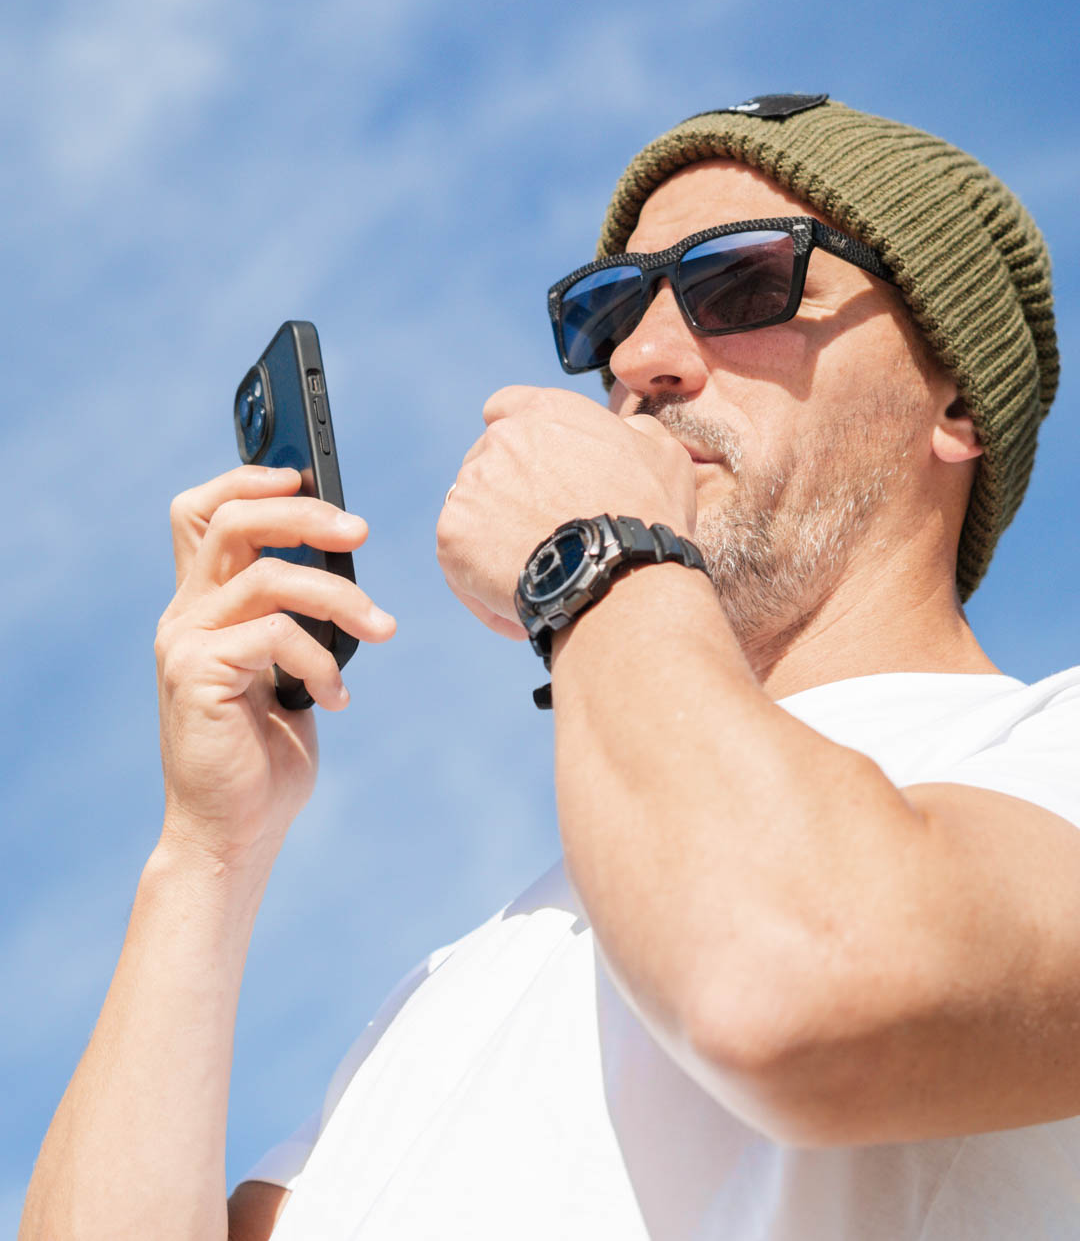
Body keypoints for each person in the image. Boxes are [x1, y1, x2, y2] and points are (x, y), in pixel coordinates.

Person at [19, 94, 1080, 1241]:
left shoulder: (1041, 758)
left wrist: (595, 552)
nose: (641, 360)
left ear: (957, 398)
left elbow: (795, 981)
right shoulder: (459, 986)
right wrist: (205, 852)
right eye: (610, 312)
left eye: (742, 284)